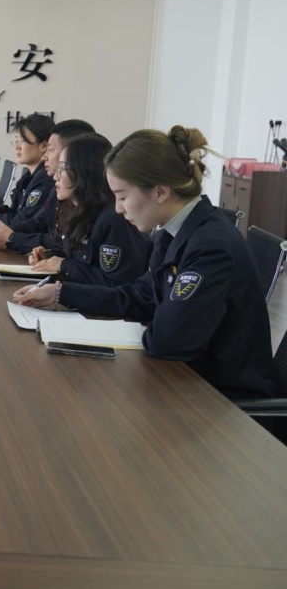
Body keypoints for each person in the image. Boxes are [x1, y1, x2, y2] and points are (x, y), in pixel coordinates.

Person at [15, 126, 275, 400]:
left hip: (223, 401)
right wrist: (62, 293)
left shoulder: (210, 246)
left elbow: (168, 341)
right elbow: (141, 297)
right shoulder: (172, 232)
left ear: (160, 192)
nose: (118, 208)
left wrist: (150, 325)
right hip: (187, 381)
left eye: (123, 196)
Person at [24, 133, 150, 287]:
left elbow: (116, 284)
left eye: (62, 169)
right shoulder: (76, 209)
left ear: (84, 171)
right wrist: (50, 258)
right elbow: (76, 257)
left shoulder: (113, 220)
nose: (55, 176)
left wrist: (64, 265)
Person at [0, 119, 96, 252]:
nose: (44, 157)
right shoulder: (55, 188)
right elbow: (38, 222)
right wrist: (5, 232)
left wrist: (8, 233)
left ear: (73, 155)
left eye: (50, 150)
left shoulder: (52, 184)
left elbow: (60, 242)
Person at [0, 113, 55, 231]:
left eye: (22, 141)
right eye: (16, 141)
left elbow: (24, 223)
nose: (17, 147)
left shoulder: (45, 180)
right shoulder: (28, 177)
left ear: (44, 146)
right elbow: (17, 212)